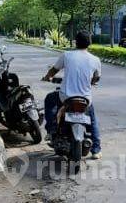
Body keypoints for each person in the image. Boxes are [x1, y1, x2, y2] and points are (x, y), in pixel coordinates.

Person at [41, 31, 102, 159]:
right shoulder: (95, 60)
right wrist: (91, 82)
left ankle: (51, 129)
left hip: (66, 97)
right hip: (85, 99)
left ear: (76, 42)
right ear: (89, 43)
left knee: (49, 99)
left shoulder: (67, 55)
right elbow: (96, 78)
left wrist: (48, 77)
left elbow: (54, 69)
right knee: (93, 119)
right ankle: (96, 149)